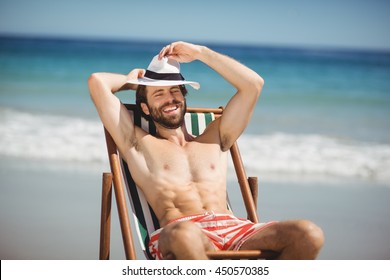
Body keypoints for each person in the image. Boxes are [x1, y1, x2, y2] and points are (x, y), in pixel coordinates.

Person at [88, 41, 324, 260]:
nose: (170, 99)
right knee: (186, 234)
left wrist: (201, 53)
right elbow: (97, 83)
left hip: (235, 231)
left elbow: (253, 85)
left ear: (184, 96)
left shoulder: (216, 137)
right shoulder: (137, 144)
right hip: (179, 232)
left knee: (308, 234)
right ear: (145, 109)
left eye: (175, 91)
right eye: (158, 94)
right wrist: (132, 82)